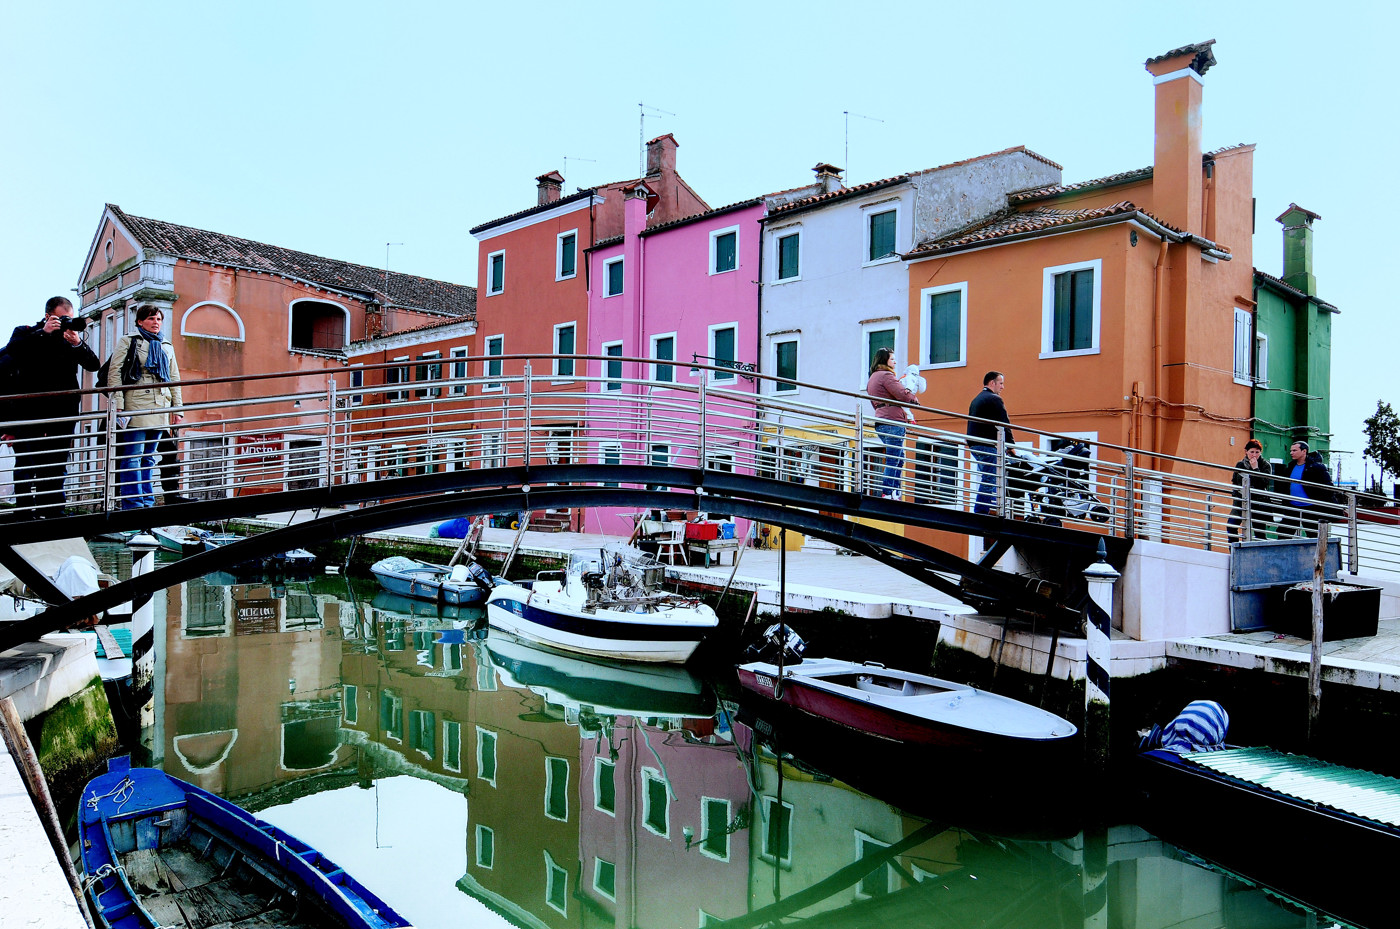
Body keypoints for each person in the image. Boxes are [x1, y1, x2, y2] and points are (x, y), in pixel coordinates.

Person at [0, 296, 101, 515]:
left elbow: (94, 365)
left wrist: (78, 343)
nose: (65, 323)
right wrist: (43, 332)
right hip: (29, 412)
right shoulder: (26, 332)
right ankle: (24, 512)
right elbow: (13, 350)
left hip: (63, 412)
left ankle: (54, 511)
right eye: (61, 318)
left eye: (69, 319)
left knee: (56, 463)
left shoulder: (68, 339)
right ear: (48, 316)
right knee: (27, 463)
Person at [106, 306, 183, 510]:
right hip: (137, 404)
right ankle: (133, 503)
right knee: (133, 456)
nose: (156, 322)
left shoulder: (166, 344)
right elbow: (115, 372)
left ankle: (147, 501)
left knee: (148, 457)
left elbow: (174, 377)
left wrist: (178, 408)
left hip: (160, 405)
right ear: (140, 321)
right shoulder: (129, 341)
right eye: (151, 318)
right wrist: (119, 404)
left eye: (158, 319)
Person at [865, 347, 919, 499]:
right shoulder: (886, 376)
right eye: (892, 359)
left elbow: (875, 401)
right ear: (885, 360)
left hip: (881, 420)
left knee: (898, 457)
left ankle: (894, 490)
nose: (895, 362)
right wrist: (914, 399)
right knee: (894, 458)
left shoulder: (873, 377)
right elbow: (902, 394)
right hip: (893, 421)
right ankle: (888, 492)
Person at [967, 371, 1014, 515]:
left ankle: (989, 507)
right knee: (990, 477)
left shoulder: (977, 399)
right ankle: (982, 511)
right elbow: (1004, 423)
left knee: (990, 476)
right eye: (1001, 383)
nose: (1003, 387)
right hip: (986, 445)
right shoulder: (994, 399)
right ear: (992, 383)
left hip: (975, 444)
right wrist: (1011, 446)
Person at [1276, 440, 1336, 539]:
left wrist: (1321, 503)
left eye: (1294, 450)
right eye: (1291, 450)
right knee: (1283, 533)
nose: (1291, 453)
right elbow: (1284, 485)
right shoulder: (1291, 466)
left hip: (1310, 507)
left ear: (1304, 451)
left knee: (1314, 535)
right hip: (1292, 506)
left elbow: (1328, 486)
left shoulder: (1316, 467)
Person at [1226, 439, 1272, 544]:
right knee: (1231, 526)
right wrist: (1236, 493)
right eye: (1252, 452)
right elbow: (1235, 480)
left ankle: (1261, 552)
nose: (1254, 455)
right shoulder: (1240, 464)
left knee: (1259, 532)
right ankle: (1234, 549)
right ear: (1246, 452)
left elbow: (1264, 483)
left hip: (1258, 502)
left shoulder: (1265, 465)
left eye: (1257, 452)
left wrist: (1255, 469)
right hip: (1241, 501)